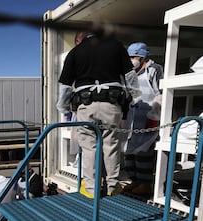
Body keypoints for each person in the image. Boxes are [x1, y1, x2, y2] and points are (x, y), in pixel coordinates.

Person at [57, 31, 140, 198]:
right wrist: (136, 97)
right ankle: (112, 186)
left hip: (85, 105)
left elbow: (65, 85)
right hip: (111, 103)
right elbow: (130, 76)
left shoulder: (75, 52)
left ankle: (91, 189)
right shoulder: (116, 45)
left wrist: (63, 107)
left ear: (81, 40)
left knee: (89, 147)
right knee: (111, 145)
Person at [122, 42, 164, 195]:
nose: (131, 60)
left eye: (134, 57)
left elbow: (160, 94)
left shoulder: (154, 70)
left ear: (142, 57)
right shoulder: (131, 73)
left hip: (148, 118)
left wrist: (154, 115)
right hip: (131, 119)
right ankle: (135, 181)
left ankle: (145, 184)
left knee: (144, 152)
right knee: (129, 151)